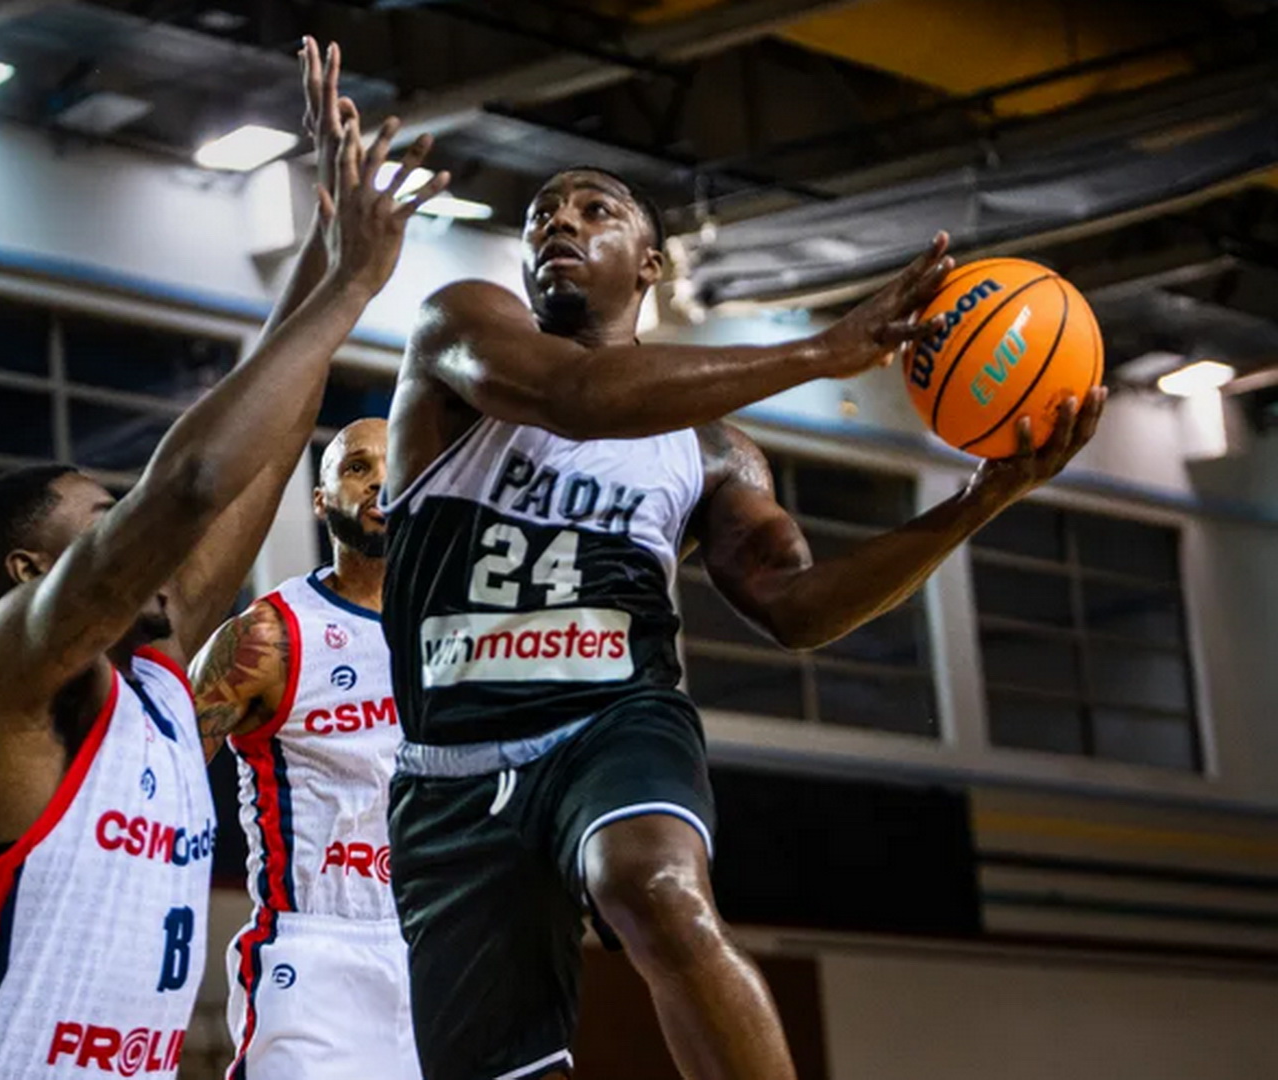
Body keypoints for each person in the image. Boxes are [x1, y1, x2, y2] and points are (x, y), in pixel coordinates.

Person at [381, 163, 1106, 1080]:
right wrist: (822, 353)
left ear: (649, 264)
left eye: (595, 210)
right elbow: (579, 398)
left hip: (609, 722)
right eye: (541, 214)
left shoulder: (714, 451)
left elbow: (797, 609)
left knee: (653, 885)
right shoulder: (461, 330)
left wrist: (978, 502)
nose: (559, 223)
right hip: (450, 765)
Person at [0, 38, 450, 1080]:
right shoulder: (10, 680)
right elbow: (191, 484)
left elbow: (264, 451)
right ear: (30, 572)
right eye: (103, 519)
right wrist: (353, 288)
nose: (136, 537)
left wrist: (325, 241)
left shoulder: (153, 683)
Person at [191, 417, 416, 1080]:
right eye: (356, 467)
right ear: (321, 501)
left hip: (438, 939)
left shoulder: (457, 630)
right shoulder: (268, 637)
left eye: (395, 465)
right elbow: (164, 773)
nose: (379, 481)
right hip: (316, 947)